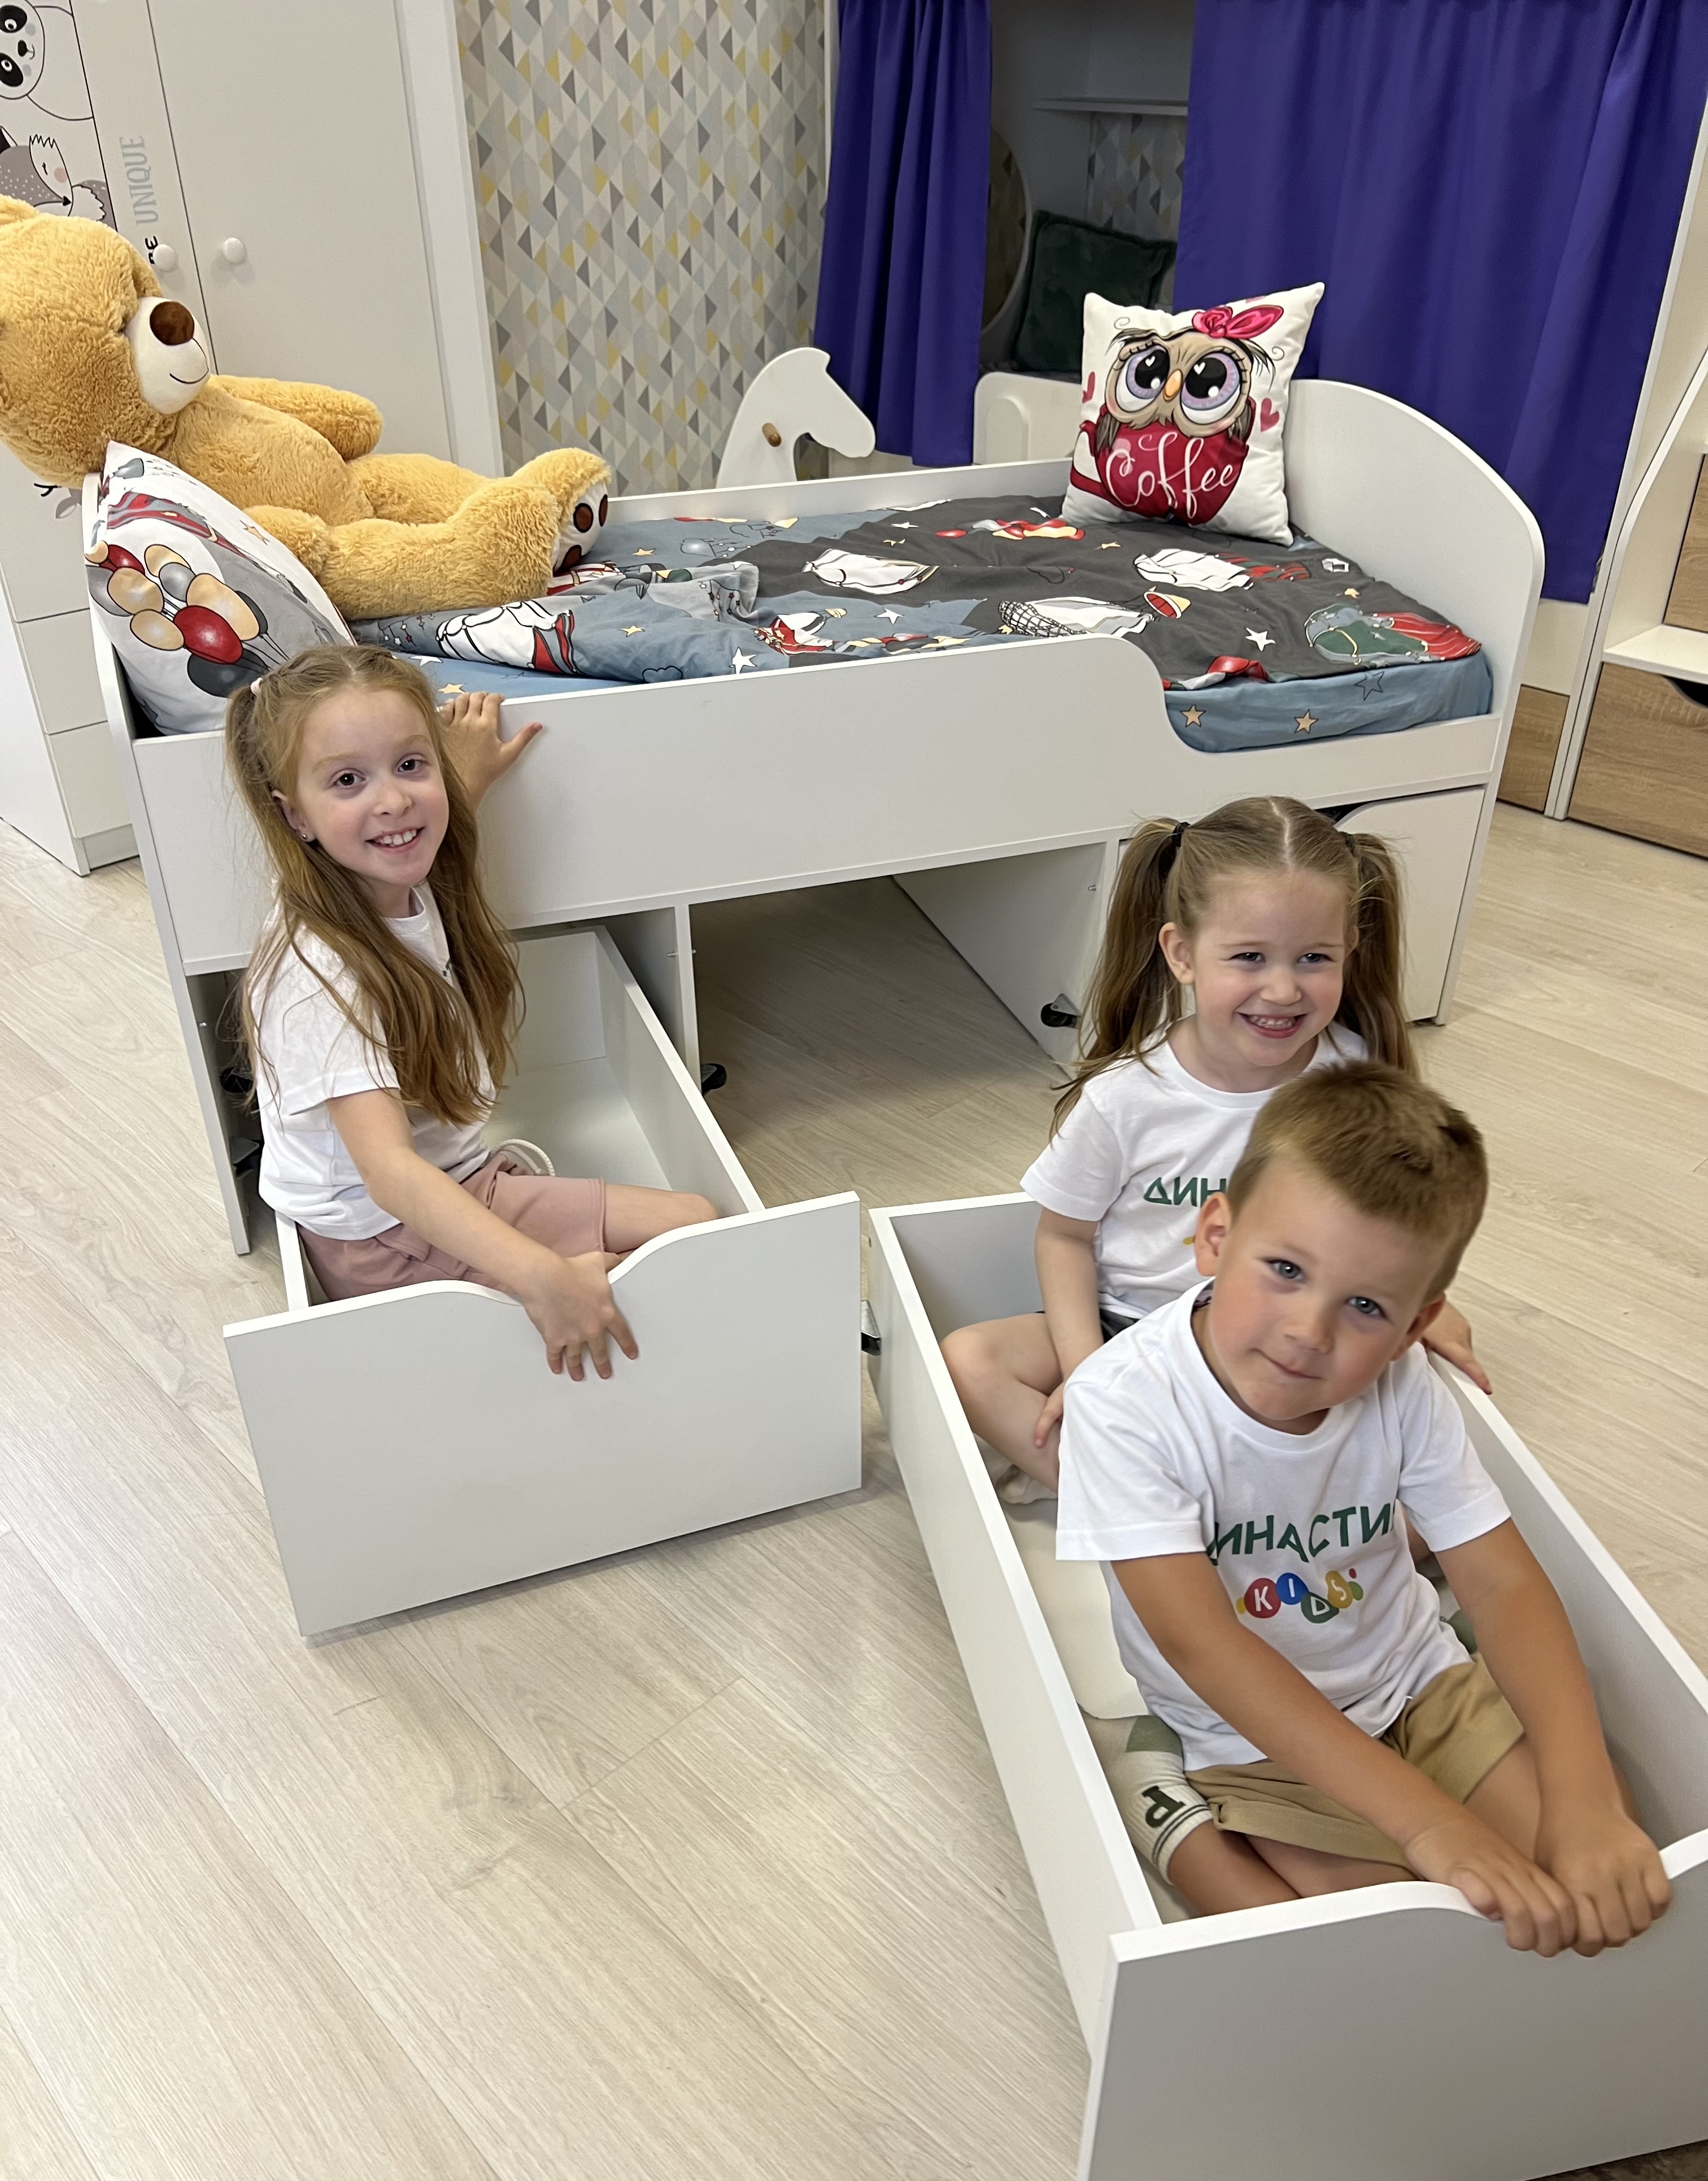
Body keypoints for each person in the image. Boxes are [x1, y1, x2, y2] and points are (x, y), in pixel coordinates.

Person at [1056, 1063, 1671, 1956]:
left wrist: (1588, 1800)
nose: (1309, 1331)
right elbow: (1204, 1646)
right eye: (1285, 1269)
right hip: (1255, 1740)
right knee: (1388, 1950)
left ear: (1415, 1325)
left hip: (1420, 1681)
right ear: (1215, 1235)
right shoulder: (1121, 1402)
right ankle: (1165, 1801)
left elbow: (1500, 1582)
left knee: (1599, 1881)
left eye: (1365, 1305)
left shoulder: (1406, 1383)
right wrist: (1427, 1821)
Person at [942, 795, 1485, 1498]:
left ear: (1351, 946)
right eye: (1250, 956)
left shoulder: (1358, 1081)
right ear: (1182, 953)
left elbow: (1391, 1222)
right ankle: (1126, 1502)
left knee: (1414, 1379)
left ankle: (1208, 1504)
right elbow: (1064, 1237)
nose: (1282, 990)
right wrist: (1088, 1372)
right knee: (970, 1360)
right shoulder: (1124, 1097)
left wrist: (1410, 1306)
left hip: (1280, 1331)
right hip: (1128, 1325)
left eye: (1314, 957)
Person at [227, 645, 716, 1378]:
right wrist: (542, 1275)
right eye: (349, 780)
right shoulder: (321, 977)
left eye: (410, 765)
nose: (393, 802)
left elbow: (426, 815)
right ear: (294, 815)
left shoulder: (381, 874)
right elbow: (391, 1173)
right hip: (385, 1238)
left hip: (451, 1184)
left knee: (696, 1230)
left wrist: (461, 774)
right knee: (652, 1281)